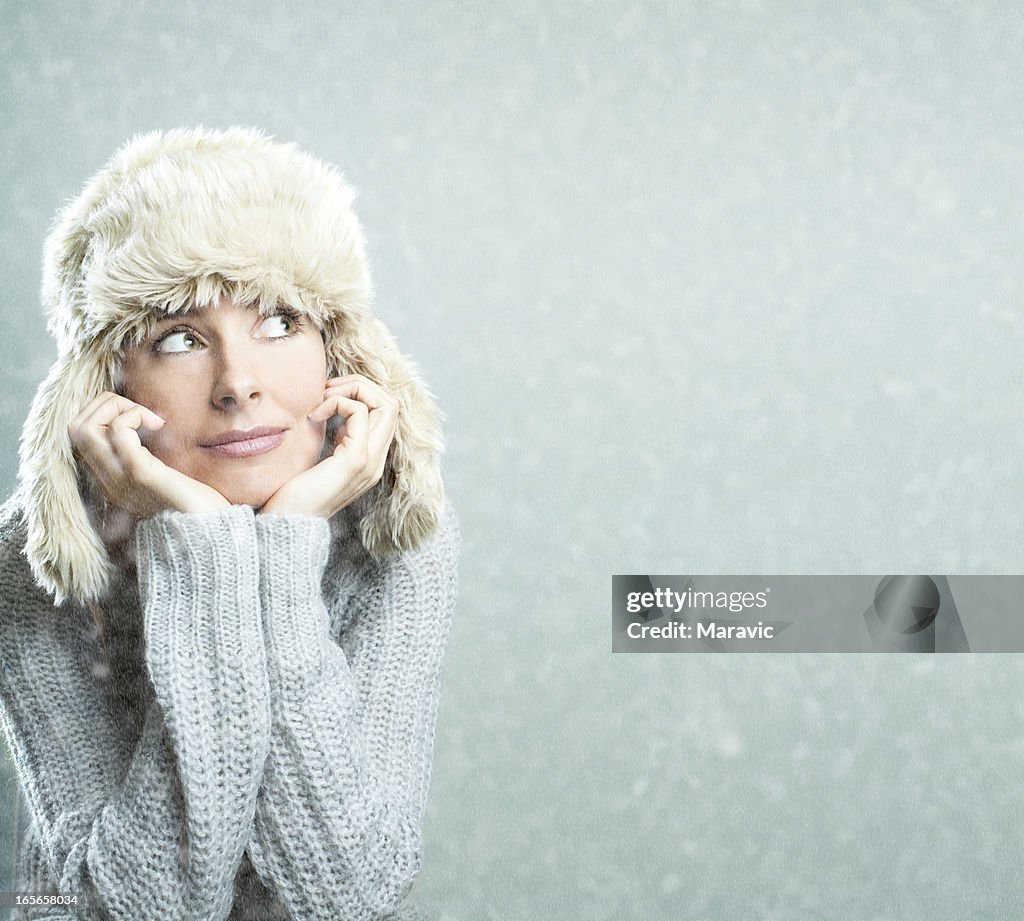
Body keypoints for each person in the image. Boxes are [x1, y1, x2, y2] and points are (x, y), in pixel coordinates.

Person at [0, 127, 460, 920]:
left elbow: (350, 890)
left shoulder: (396, 530)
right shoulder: (30, 561)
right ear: (108, 379)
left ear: (336, 349)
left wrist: (281, 550)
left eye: (280, 321)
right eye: (180, 338)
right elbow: (128, 907)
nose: (239, 382)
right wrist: (202, 552)